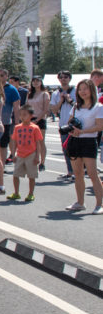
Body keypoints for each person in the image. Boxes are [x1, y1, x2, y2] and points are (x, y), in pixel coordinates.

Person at [63, 79, 103, 214]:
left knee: (92, 174)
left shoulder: (98, 107)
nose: (82, 92)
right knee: (78, 173)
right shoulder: (75, 107)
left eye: (85, 89)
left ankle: (99, 204)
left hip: (88, 141)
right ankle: (80, 202)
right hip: (75, 141)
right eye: (80, 89)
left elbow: (99, 126)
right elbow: (69, 122)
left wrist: (83, 131)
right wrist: (71, 128)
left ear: (91, 90)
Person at [7, 105, 44, 202]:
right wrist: (13, 154)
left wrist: (37, 156)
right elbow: (14, 142)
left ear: (31, 115)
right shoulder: (17, 127)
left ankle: (31, 193)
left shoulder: (35, 128)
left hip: (31, 154)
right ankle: (16, 193)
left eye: (25, 114)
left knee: (31, 176)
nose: (22, 117)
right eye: (21, 115)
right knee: (16, 174)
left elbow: (38, 143)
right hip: (20, 154)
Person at [50, 70, 77, 181]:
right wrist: (61, 100)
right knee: (66, 149)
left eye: (66, 77)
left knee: (76, 150)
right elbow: (54, 110)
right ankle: (70, 172)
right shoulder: (56, 93)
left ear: (69, 78)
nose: (63, 79)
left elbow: (79, 106)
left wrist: (69, 100)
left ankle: (77, 172)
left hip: (76, 124)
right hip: (63, 124)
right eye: (61, 77)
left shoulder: (76, 91)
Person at [26, 75, 50, 171]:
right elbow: (27, 107)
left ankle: (42, 162)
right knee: (31, 142)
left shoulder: (45, 94)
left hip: (40, 119)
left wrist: (37, 119)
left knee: (41, 141)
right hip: (30, 119)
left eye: (37, 81)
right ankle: (33, 160)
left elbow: (45, 109)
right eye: (33, 81)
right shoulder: (30, 94)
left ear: (41, 82)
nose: (35, 83)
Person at [0, 69, 21, 166]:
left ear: (7, 76)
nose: (0, 77)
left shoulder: (12, 89)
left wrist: (17, 123)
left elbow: (16, 107)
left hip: (5, 122)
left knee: (3, 145)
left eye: (2, 75)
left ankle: (1, 166)